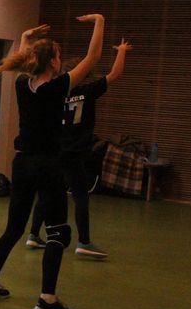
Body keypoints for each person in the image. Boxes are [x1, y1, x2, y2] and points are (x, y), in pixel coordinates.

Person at [0, 15, 105, 309]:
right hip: (47, 165)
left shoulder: (24, 84)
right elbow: (92, 57)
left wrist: (25, 36)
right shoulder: (57, 87)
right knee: (59, 232)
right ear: (52, 62)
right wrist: (99, 21)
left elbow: (24, 58)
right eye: (58, 56)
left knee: (13, 229)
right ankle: (47, 298)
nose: (61, 61)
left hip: (22, 163)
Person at [25, 38, 133, 258]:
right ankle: (84, 241)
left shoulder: (55, 90)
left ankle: (33, 234)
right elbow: (115, 74)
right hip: (74, 152)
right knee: (80, 196)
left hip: (54, 150)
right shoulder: (88, 91)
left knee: (47, 192)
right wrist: (122, 51)